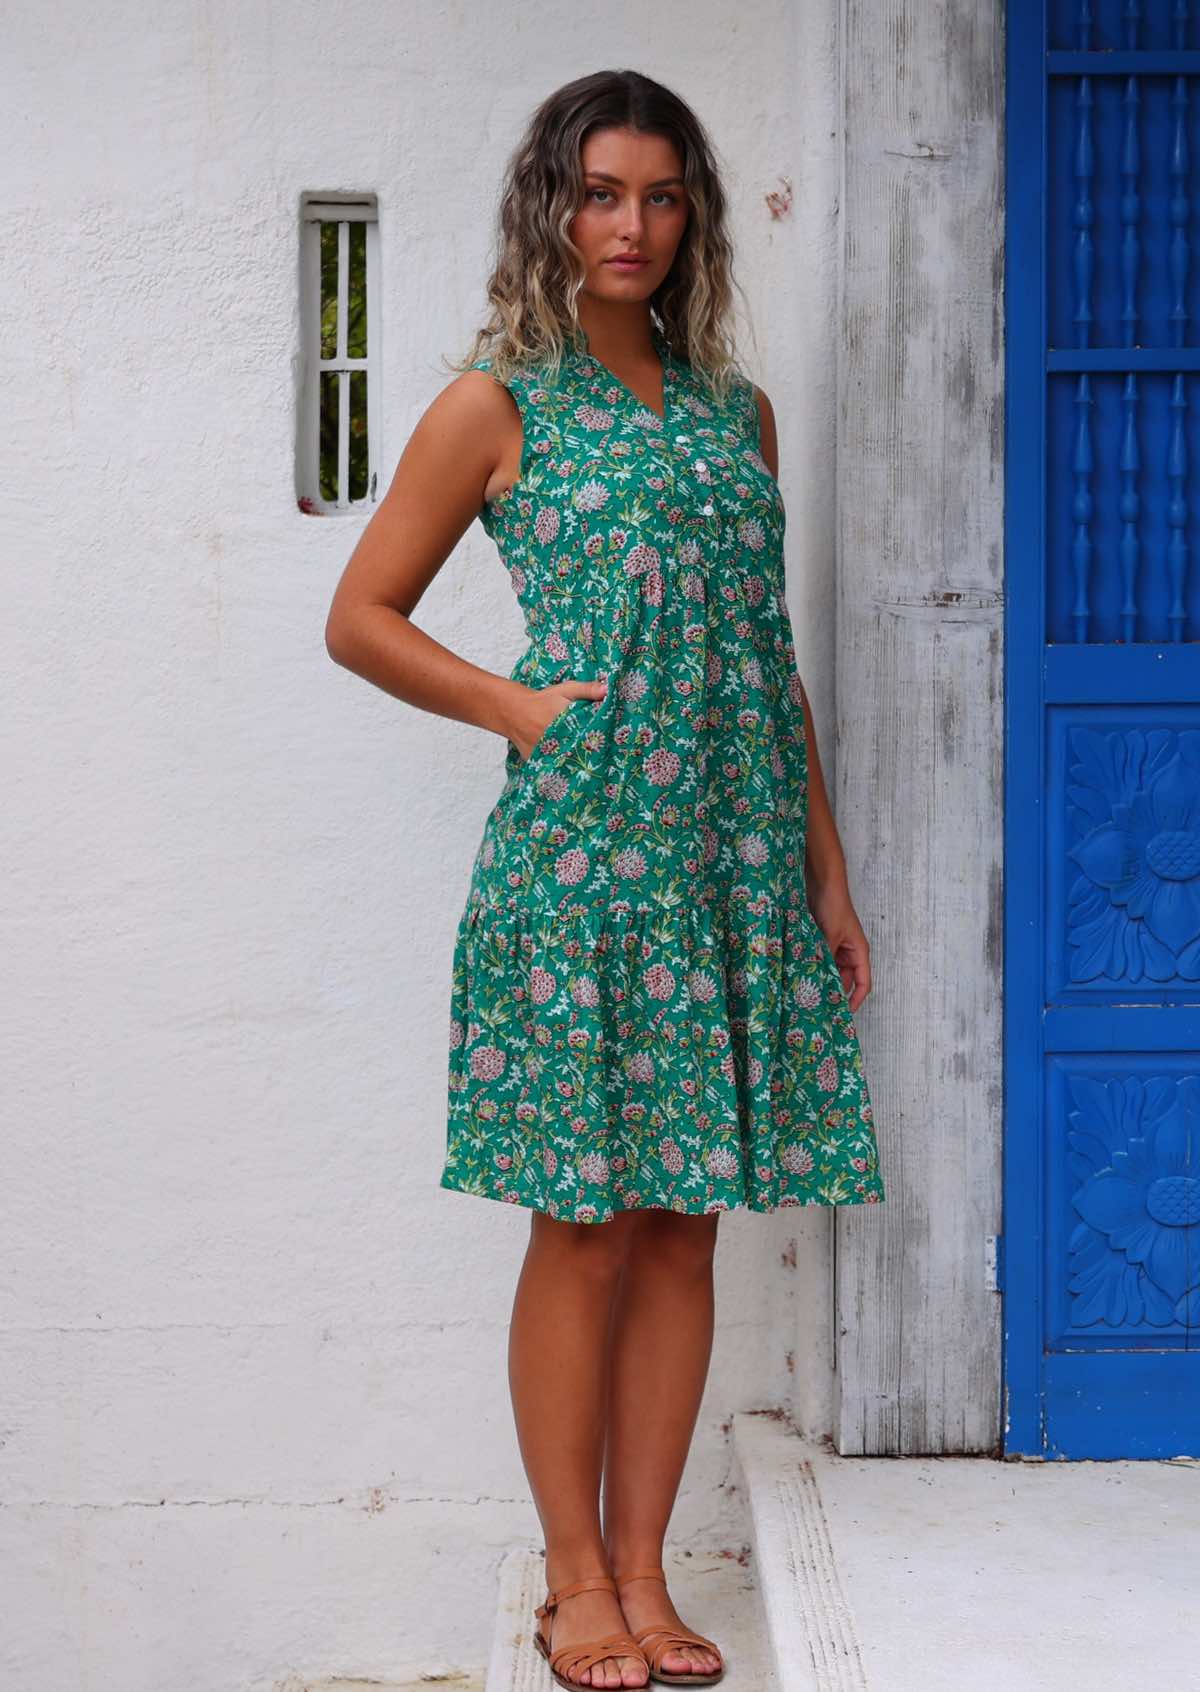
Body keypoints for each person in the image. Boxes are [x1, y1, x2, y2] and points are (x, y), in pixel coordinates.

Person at [326, 67, 885, 1692]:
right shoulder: (496, 403)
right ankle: (575, 1579)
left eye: (656, 194)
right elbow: (363, 614)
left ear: (690, 210)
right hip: (577, 875)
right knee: (579, 1227)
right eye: (597, 194)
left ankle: (648, 1572)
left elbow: (768, 668)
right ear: (548, 208)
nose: (627, 225)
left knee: (685, 1227)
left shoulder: (736, 412)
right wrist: (516, 706)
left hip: (727, 867)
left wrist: (824, 879)